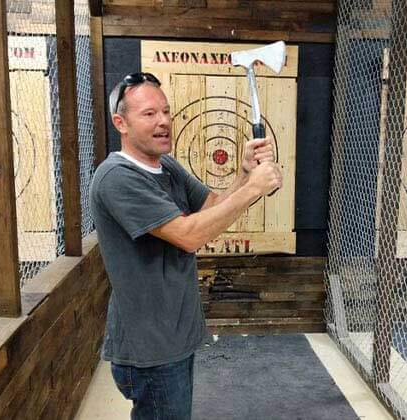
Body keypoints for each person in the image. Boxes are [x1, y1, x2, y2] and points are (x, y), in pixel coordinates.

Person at [89, 72, 282, 420]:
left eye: (166, 111)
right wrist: (254, 188)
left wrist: (243, 173)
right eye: (149, 114)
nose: (163, 121)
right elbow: (189, 235)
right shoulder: (116, 177)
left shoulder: (167, 167)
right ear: (121, 123)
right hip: (150, 345)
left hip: (173, 334)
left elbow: (211, 207)